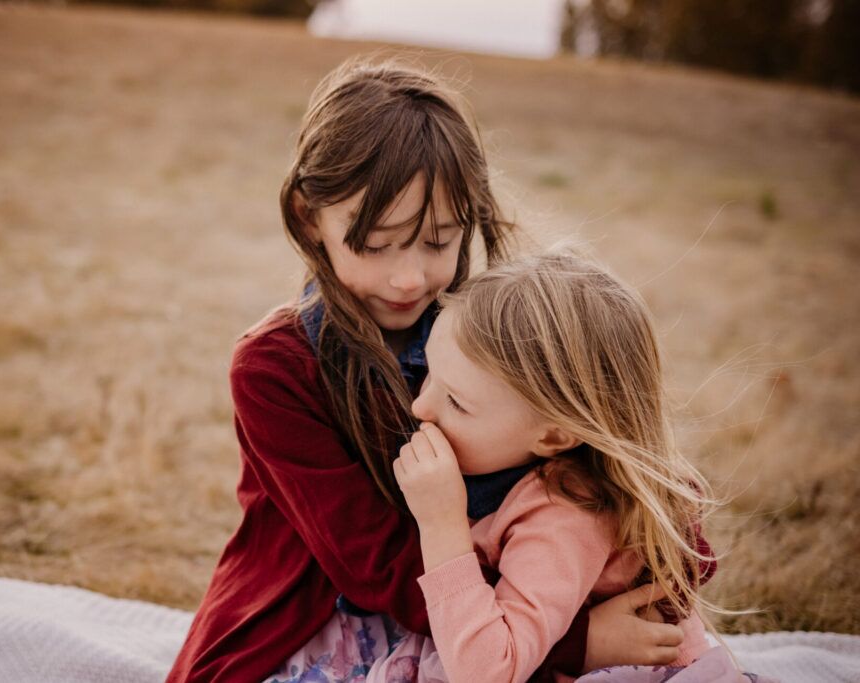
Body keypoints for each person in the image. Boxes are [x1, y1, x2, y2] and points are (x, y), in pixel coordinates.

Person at [167, 57, 703, 683]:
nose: (410, 278)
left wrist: (659, 570)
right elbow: (375, 566)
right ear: (309, 216)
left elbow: (619, 464)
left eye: (439, 240)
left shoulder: (488, 330)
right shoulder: (274, 368)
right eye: (375, 243)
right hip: (336, 612)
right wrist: (572, 643)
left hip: (495, 613)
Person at [356, 252, 762, 682]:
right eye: (428, 373)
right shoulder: (527, 470)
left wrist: (442, 526)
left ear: (554, 437)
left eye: (456, 402)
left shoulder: (565, 515)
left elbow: (486, 673)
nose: (420, 406)